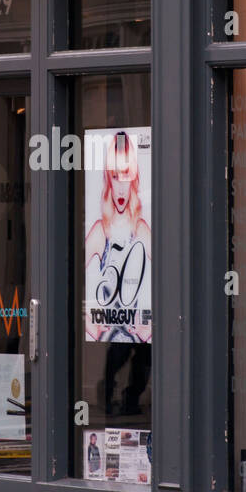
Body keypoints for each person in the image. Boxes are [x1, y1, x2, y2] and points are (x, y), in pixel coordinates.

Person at [83, 132, 152, 343]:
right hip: (106, 347)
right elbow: (69, 281)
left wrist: (148, 328)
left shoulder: (140, 230)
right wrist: (91, 327)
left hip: (138, 349)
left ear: (134, 178)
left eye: (126, 175)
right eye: (115, 176)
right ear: (108, 179)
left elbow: (171, 281)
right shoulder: (99, 231)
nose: (121, 187)